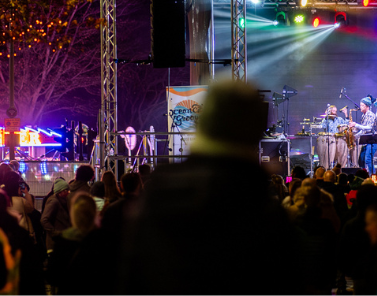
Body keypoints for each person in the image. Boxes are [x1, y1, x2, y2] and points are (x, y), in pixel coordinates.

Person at [118, 80, 301, 294]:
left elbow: (130, 279)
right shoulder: (265, 211)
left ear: (204, 123)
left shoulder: (156, 198)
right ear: (255, 131)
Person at [349, 96, 377, 174]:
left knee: (368, 159)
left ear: (367, 106)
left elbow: (369, 128)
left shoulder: (371, 115)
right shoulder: (363, 116)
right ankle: (364, 176)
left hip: (372, 140)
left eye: (362, 105)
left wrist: (355, 125)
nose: (360, 107)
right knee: (361, 160)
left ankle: (373, 176)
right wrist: (355, 136)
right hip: (366, 139)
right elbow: (363, 130)